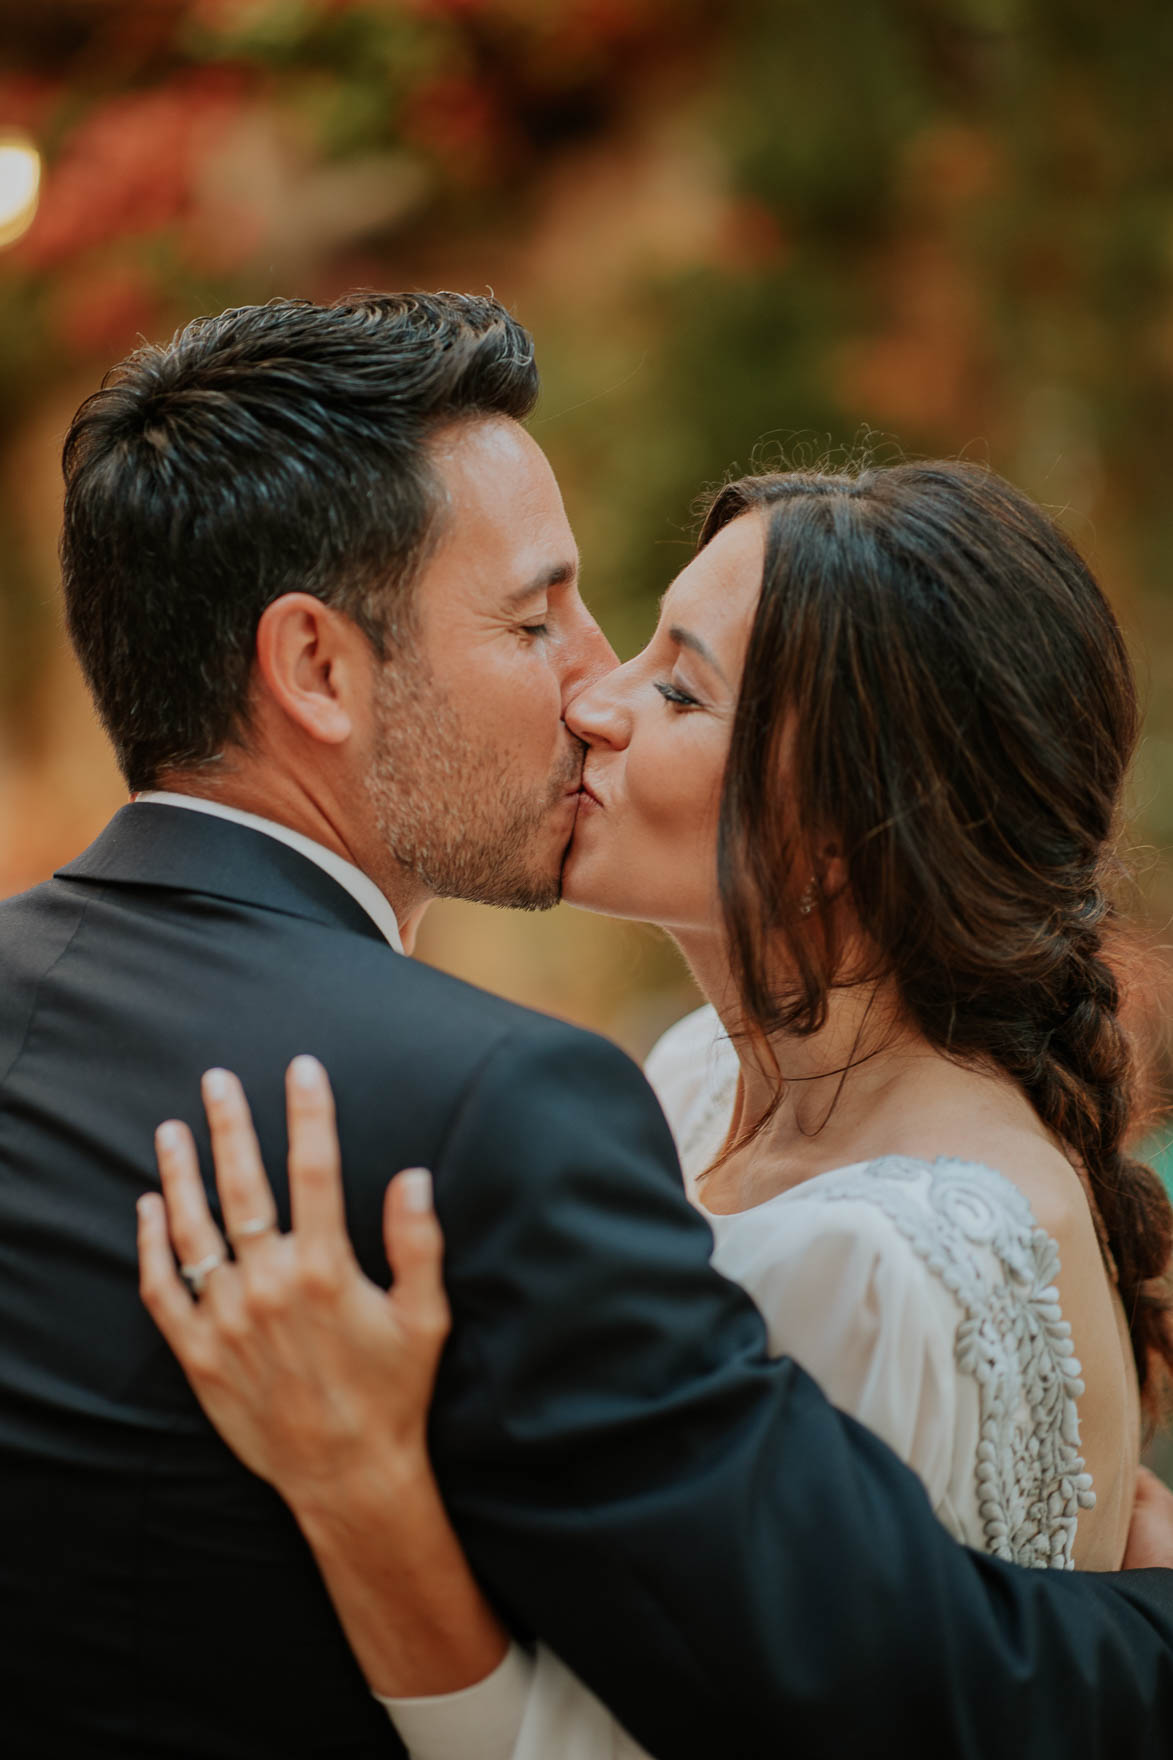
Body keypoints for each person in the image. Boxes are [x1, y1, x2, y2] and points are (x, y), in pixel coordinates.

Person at [0, 291, 1168, 1760]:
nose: (591, 684)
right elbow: (906, 1688)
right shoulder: (490, 1108)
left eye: (667, 674)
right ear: (314, 669)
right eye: (533, 615)